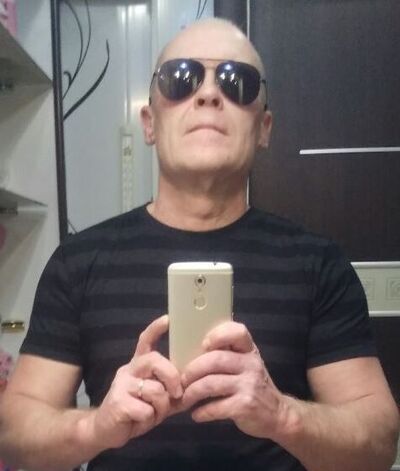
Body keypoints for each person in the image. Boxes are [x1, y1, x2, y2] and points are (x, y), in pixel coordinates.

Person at [0, 18, 398, 471]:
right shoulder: (77, 263)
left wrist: (280, 414)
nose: (208, 94)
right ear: (150, 122)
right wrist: (97, 426)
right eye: (181, 78)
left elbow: (379, 443)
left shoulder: (319, 264)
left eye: (237, 82)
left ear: (264, 128)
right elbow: (13, 436)